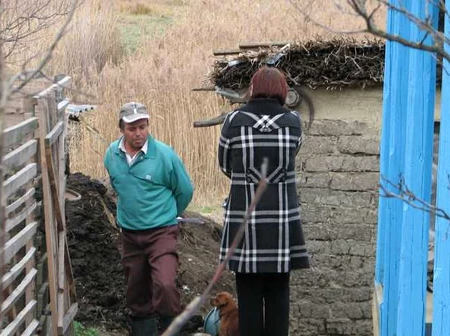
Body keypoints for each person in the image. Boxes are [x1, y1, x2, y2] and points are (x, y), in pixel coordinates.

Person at [217, 67, 310, 336]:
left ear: (252, 88)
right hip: (281, 222)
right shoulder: (293, 121)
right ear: (282, 90)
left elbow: (225, 165)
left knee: (248, 297)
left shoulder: (233, 121)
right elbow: (291, 158)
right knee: (279, 295)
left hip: (244, 220)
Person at [103, 102, 194, 336]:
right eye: (132, 128)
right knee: (136, 289)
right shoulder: (112, 155)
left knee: (165, 283)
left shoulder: (164, 155)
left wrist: (168, 215)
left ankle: (169, 328)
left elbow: (184, 190)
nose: (138, 133)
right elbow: (118, 186)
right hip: (131, 234)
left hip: (161, 231)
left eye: (142, 127)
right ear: (122, 128)